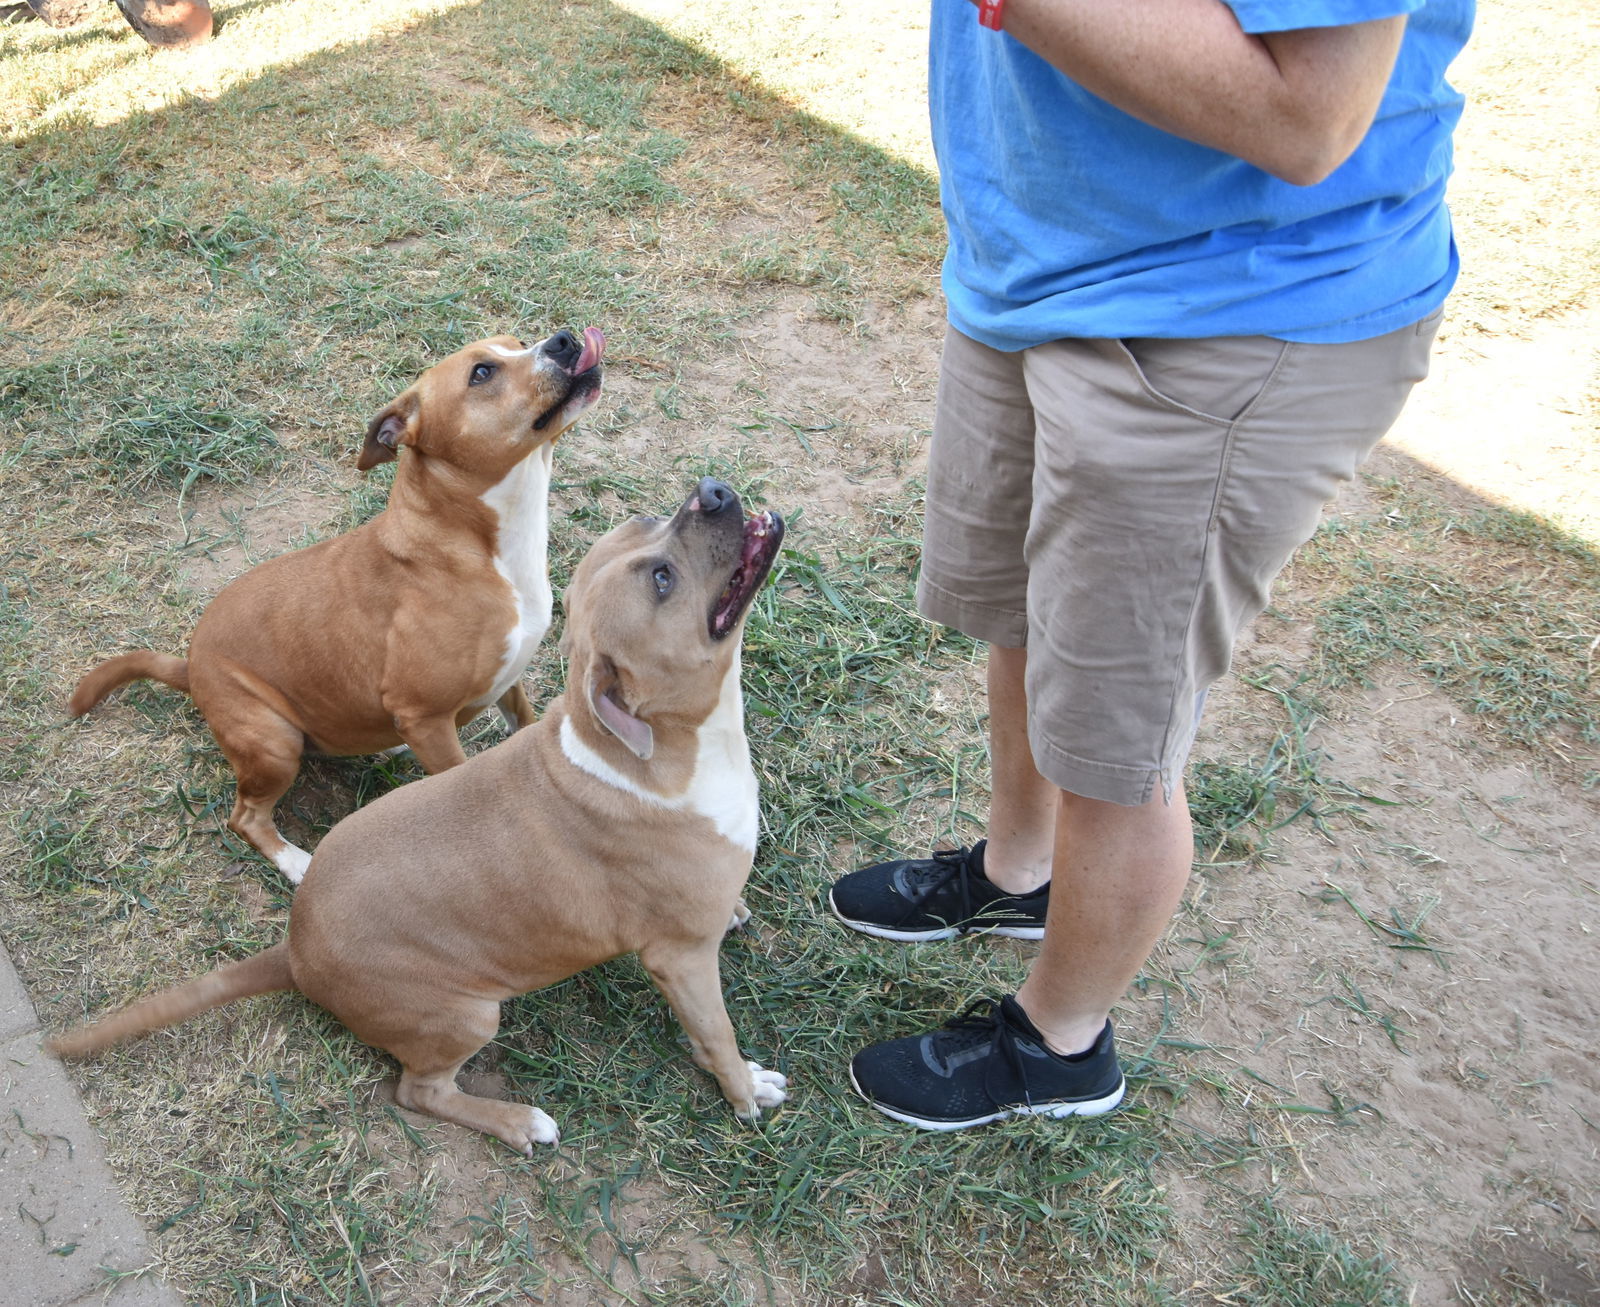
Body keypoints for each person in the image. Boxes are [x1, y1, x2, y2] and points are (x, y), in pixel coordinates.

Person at [827, 0, 1475, 1131]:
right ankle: (1015, 871)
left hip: (1223, 304)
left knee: (1119, 736)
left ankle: (1059, 1043)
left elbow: (1309, 114)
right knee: (1027, 618)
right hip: (1040, 265)